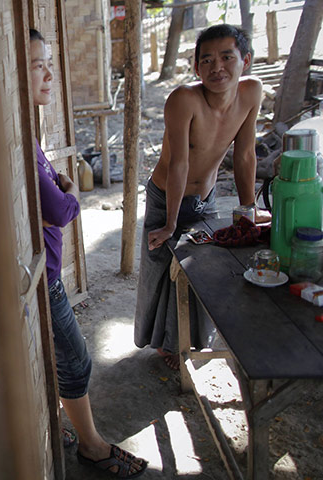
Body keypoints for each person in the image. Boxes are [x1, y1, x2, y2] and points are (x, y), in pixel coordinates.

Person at [30, 29, 147, 478]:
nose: (47, 73)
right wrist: (70, 192)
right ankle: (92, 447)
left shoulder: (28, 137)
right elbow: (59, 208)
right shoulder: (21, 145)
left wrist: (61, 196)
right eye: (37, 63)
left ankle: (57, 425)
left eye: (46, 61)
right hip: (43, 279)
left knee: (52, 358)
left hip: (46, 272)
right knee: (75, 359)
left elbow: (53, 204)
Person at [134, 24, 270, 369]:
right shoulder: (184, 99)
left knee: (201, 268)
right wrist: (170, 223)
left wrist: (247, 210)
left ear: (246, 60)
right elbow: (179, 163)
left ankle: (185, 342)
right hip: (167, 196)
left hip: (206, 197)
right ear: (196, 68)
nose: (216, 67)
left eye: (227, 57)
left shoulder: (251, 94)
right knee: (161, 267)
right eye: (206, 60)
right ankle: (163, 345)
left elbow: (244, 155)